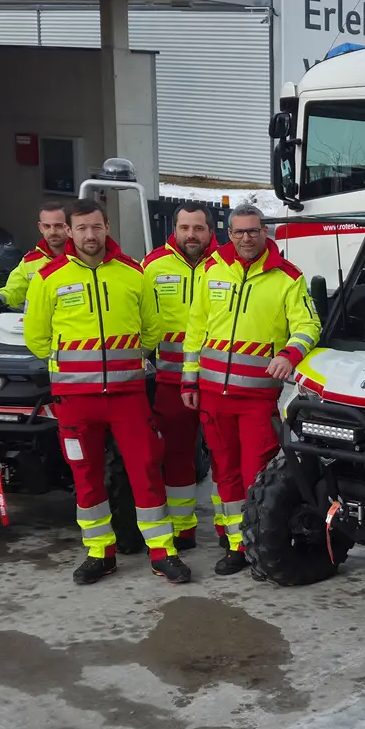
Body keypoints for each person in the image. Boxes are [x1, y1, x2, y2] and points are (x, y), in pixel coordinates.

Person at [22, 200, 191, 585]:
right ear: (67, 231)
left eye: (96, 227)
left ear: (107, 226)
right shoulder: (48, 277)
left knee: (146, 469)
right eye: (80, 229)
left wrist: (125, 362)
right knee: (86, 475)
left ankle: (163, 552)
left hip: (127, 396)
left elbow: (153, 329)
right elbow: (36, 337)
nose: (89, 235)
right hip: (74, 402)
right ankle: (100, 553)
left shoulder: (134, 274)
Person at [182, 205, 322, 576]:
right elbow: (195, 331)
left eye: (253, 231)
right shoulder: (212, 269)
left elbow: (308, 325)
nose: (246, 238)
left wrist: (290, 354)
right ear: (229, 234)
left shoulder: (288, 277)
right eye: (239, 232)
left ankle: (258, 541)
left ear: (264, 232)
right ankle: (235, 546)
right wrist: (189, 379)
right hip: (212, 395)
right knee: (223, 473)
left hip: (258, 398)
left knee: (256, 474)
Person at [143, 204, 217, 551]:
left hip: (221, 380)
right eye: (184, 227)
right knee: (175, 454)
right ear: (174, 228)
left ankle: (228, 528)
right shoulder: (151, 265)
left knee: (225, 457)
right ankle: (183, 527)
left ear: (210, 231)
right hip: (171, 381)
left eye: (198, 228)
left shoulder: (227, 266)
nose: (191, 235)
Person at [0, 200, 72, 307]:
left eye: (58, 226)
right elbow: (12, 293)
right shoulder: (30, 262)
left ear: (68, 226)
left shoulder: (82, 257)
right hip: (39, 322)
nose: (52, 232)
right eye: (47, 226)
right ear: (40, 227)